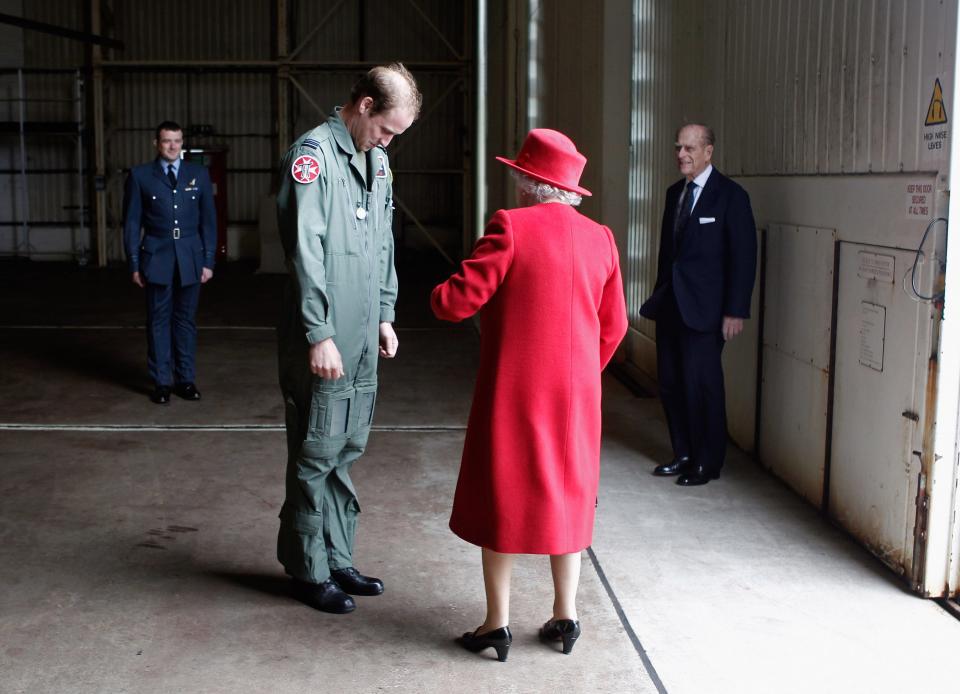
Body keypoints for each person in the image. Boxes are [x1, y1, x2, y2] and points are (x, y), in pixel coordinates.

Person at [431, 129, 628, 661]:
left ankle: (496, 624)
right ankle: (566, 617)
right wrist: (583, 374)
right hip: (577, 398)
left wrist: (435, 292)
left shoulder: (510, 226)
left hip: (515, 393)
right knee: (568, 500)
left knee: (506, 500)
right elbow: (614, 327)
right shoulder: (602, 238)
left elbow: (457, 302)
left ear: (527, 182)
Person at [274, 63, 421, 614]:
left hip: (362, 334)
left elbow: (382, 242)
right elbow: (305, 252)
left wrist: (385, 313)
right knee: (316, 449)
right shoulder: (311, 157)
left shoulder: (376, 162)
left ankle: (337, 557)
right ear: (363, 105)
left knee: (346, 448)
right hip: (326, 335)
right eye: (385, 128)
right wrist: (318, 332)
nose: (388, 141)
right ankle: (307, 569)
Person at [639, 123, 757, 486]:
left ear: (708, 152)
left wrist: (735, 310)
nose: (682, 155)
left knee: (702, 384)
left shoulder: (731, 196)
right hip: (671, 305)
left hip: (707, 311)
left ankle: (708, 462)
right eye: (679, 148)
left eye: (690, 148)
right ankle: (684, 453)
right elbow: (669, 256)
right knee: (672, 383)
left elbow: (744, 256)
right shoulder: (675, 193)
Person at [123, 121, 217, 405]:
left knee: (185, 321)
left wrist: (208, 260)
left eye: (177, 140)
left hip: (190, 256)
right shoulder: (140, 176)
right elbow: (131, 223)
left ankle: (185, 379)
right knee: (158, 321)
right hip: (156, 257)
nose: (173, 146)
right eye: (167, 141)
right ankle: (161, 382)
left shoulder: (197, 174)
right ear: (156, 143)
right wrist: (134, 263)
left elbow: (208, 223)